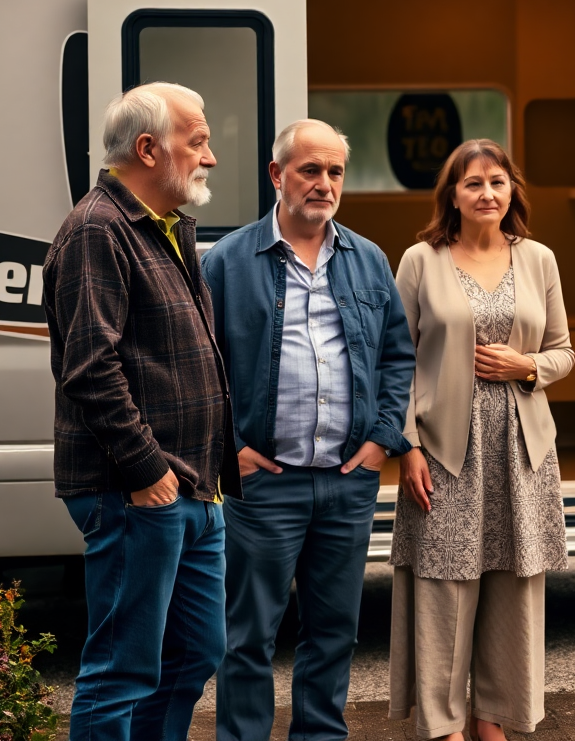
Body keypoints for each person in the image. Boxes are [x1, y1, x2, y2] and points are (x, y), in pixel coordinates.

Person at [201, 118, 415, 741]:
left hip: (347, 484)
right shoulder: (229, 261)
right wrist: (228, 448)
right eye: (310, 170)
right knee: (248, 637)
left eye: (335, 172)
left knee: (334, 634)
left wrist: (381, 438)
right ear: (277, 175)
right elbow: (198, 365)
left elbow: (397, 356)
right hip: (264, 485)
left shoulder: (368, 259)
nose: (324, 184)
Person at [43, 82, 240, 741]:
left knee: (194, 656)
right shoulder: (98, 229)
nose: (209, 156)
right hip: (138, 491)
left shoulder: (167, 227)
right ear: (149, 148)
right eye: (198, 140)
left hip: (195, 487)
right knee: (122, 671)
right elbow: (89, 368)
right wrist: (146, 471)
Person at [388, 139, 574, 741]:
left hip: (522, 454)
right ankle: (443, 729)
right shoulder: (421, 260)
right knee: (442, 591)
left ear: (512, 189)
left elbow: (564, 353)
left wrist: (526, 367)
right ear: (453, 196)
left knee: (513, 592)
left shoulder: (540, 259)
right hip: (443, 452)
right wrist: (407, 446)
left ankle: (493, 722)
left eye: (497, 181)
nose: (487, 193)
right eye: (473, 183)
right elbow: (395, 360)